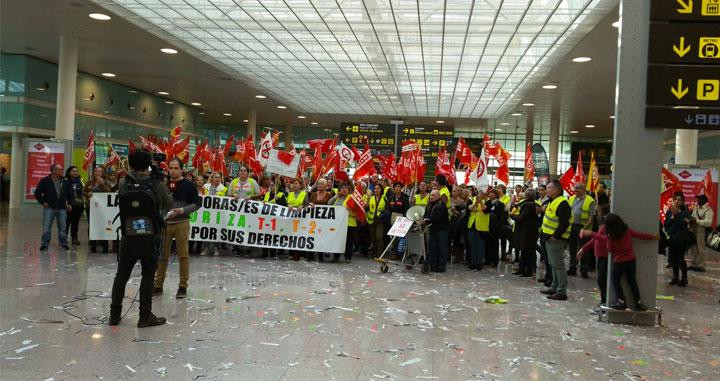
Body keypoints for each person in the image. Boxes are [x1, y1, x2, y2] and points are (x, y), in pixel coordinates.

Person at [109, 149, 172, 327]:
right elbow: (168, 203)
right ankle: (144, 316)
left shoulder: (123, 183)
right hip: (150, 237)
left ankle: (114, 314)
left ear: (130, 164)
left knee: (121, 276)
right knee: (147, 276)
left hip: (128, 236)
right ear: (148, 165)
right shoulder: (156, 184)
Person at [581, 213, 657, 311]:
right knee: (632, 281)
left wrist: (591, 234)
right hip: (631, 260)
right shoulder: (626, 230)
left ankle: (621, 302)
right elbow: (639, 235)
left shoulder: (612, 236)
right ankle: (638, 303)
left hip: (619, 261)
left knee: (616, 281)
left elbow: (609, 248)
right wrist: (652, 237)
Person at [154, 158, 201, 299]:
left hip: (182, 222)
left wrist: (181, 210)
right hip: (165, 223)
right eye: (171, 168)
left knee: (183, 255)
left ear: (182, 169)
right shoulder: (163, 184)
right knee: (162, 255)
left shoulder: (189, 185)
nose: (173, 171)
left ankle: (182, 286)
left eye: (176, 168)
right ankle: (158, 284)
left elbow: (197, 204)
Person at [539, 180, 571, 301]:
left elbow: (564, 223)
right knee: (553, 263)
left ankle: (562, 291)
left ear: (557, 190)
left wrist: (556, 236)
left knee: (558, 265)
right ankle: (554, 286)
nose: (547, 190)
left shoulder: (562, 203)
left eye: (549, 188)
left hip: (555, 239)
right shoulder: (553, 201)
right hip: (548, 237)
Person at [578, 204, 611, 311]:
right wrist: (584, 249)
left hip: (606, 257)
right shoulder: (603, 226)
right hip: (601, 257)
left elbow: (604, 239)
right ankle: (604, 302)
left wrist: (591, 233)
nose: (597, 214)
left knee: (603, 281)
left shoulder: (607, 226)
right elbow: (596, 239)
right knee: (601, 281)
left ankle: (605, 303)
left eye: (598, 211)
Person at [34, 163, 73, 251]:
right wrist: (43, 202)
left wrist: (70, 203)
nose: (62, 171)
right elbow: (37, 193)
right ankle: (45, 244)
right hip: (49, 208)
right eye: (60, 169)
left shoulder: (65, 181)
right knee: (46, 227)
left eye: (62, 169)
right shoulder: (45, 180)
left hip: (62, 208)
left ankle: (63, 243)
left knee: (63, 227)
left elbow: (70, 194)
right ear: (54, 171)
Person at [567, 184, 597, 278]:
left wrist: (584, 228)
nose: (575, 190)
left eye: (577, 189)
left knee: (583, 249)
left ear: (583, 190)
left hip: (583, 228)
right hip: (572, 227)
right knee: (572, 248)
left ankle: (584, 270)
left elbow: (591, 217)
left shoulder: (590, 201)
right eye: (574, 189)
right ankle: (572, 268)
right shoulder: (571, 199)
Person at [664, 194, 692, 287]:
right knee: (673, 259)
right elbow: (666, 224)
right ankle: (675, 277)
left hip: (681, 239)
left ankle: (684, 278)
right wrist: (672, 217)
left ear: (683, 202)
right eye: (675, 199)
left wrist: (677, 215)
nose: (677, 201)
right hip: (672, 239)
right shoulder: (669, 211)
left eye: (679, 200)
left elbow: (684, 224)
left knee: (680, 258)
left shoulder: (685, 212)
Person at [511, 189, 539, 277]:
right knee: (525, 251)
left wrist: (511, 215)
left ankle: (528, 271)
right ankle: (522, 269)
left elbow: (521, 218)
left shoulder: (528, 205)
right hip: (530, 231)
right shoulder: (533, 204)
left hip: (527, 232)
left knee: (527, 252)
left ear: (527, 196)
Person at [84, 166, 111, 253]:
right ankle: (93, 245)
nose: (98, 173)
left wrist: (102, 184)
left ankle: (104, 246)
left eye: (100, 171)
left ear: (102, 173)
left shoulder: (106, 182)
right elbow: (83, 191)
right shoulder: (90, 182)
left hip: (102, 208)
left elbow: (109, 192)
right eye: (96, 171)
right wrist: (88, 194)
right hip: (91, 207)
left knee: (103, 225)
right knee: (92, 225)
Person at [200, 172, 227, 256]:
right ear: (212, 178)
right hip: (207, 212)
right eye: (215, 177)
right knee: (206, 229)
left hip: (217, 212)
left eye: (219, 177)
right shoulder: (205, 187)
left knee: (216, 230)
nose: (217, 179)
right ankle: (206, 247)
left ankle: (216, 248)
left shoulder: (223, 189)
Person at [424, 190, 449, 272]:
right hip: (433, 229)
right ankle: (433, 265)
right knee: (432, 248)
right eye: (430, 195)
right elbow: (426, 214)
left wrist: (427, 220)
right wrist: (425, 219)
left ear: (438, 196)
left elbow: (437, 218)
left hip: (441, 230)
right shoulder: (429, 204)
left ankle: (441, 267)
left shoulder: (441, 205)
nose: (431, 197)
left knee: (441, 248)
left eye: (433, 195)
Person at [329, 183, 356, 263]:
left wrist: (351, 209)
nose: (344, 190)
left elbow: (357, 210)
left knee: (348, 241)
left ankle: (348, 257)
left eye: (346, 188)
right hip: (338, 224)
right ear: (339, 190)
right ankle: (336, 256)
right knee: (337, 240)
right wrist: (336, 196)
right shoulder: (338, 198)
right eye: (342, 188)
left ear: (349, 190)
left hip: (349, 223)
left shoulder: (351, 198)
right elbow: (329, 203)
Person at [689, 194, 714, 272]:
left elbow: (708, 223)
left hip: (701, 231)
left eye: (700, 199)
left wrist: (697, 221)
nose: (698, 201)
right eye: (698, 199)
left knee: (701, 248)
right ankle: (693, 264)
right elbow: (693, 216)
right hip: (693, 229)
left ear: (705, 201)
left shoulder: (708, 210)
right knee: (693, 248)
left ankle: (701, 266)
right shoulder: (696, 208)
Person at [466, 190, 489, 271]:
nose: (479, 195)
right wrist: (475, 203)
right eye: (478, 193)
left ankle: (478, 264)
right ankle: (472, 263)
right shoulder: (471, 199)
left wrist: (481, 203)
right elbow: (469, 208)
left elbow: (486, 210)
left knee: (480, 246)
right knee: (472, 246)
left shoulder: (487, 201)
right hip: (471, 225)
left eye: (481, 193)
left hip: (482, 227)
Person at [65, 166, 85, 246]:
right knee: (66, 223)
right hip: (68, 205)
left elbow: (84, 191)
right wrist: (66, 203)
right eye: (73, 171)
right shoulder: (65, 181)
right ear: (69, 172)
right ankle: (64, 238)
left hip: (78, 205)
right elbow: (63, 193)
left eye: (77, 171)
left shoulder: (81, 181)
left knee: (75, 222)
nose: (75, 172)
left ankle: (74, 238)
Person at [484, 188, 503, 267]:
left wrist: (497, 227)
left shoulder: (500, 204)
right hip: (486, 226)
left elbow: (500, 217)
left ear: (495, 195)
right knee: (487, 244)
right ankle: (487, 259)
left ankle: (495, 261)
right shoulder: (488, 202)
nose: (489, 194)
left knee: (494, 245)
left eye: (491, 193)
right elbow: (485, 211)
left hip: (495, 227)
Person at [366, 184, 386, 258]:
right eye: (375, 188)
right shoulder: (370, 198)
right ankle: (374, 253)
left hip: (380, 221)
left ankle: (380, 254)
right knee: (373, 238)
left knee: (379, 237)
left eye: (378, 188)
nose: (376, 190)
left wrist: (382, 215)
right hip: (371, 221)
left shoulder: (385, 198)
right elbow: (368, 209)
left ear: (381, 190)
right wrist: (366, 206)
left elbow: (387, 210)